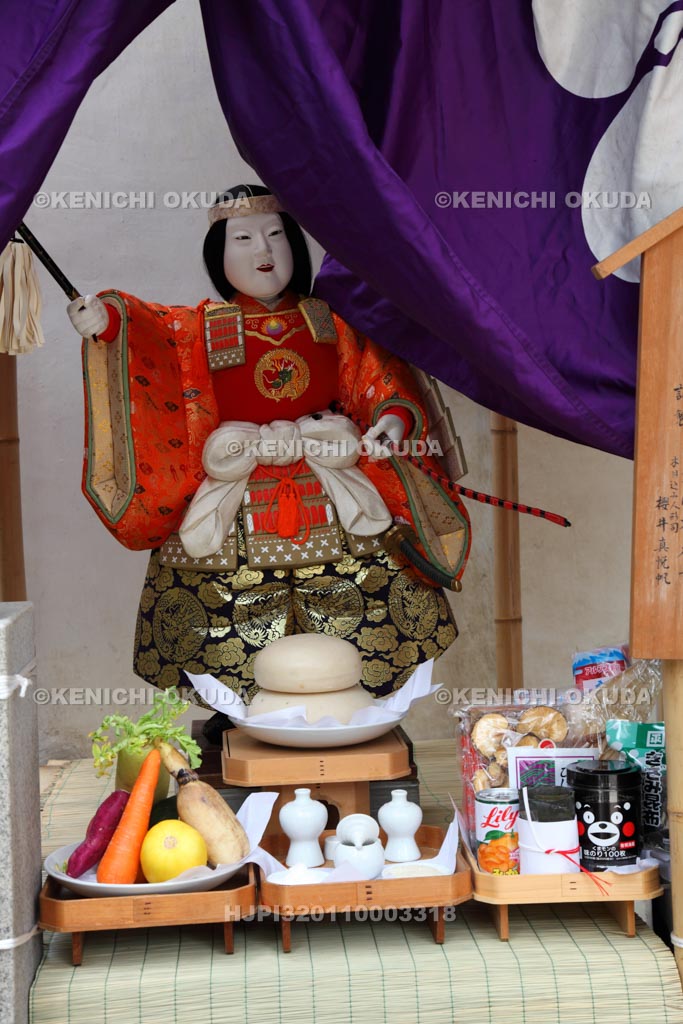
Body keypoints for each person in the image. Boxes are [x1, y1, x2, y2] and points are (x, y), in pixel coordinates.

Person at [67, 184, 470, 728]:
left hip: (331, 481)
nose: (265, 251)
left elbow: (378, 377)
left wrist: (391, 420)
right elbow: (151, 334)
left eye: (277, 235)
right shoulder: (202, 326)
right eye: (244, 238)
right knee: (217, 605)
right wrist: (108, 322)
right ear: (219, 253)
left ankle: (356, 707)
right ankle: (237, 716)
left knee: (371, 590)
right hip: (236, 488)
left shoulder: (332, 320)